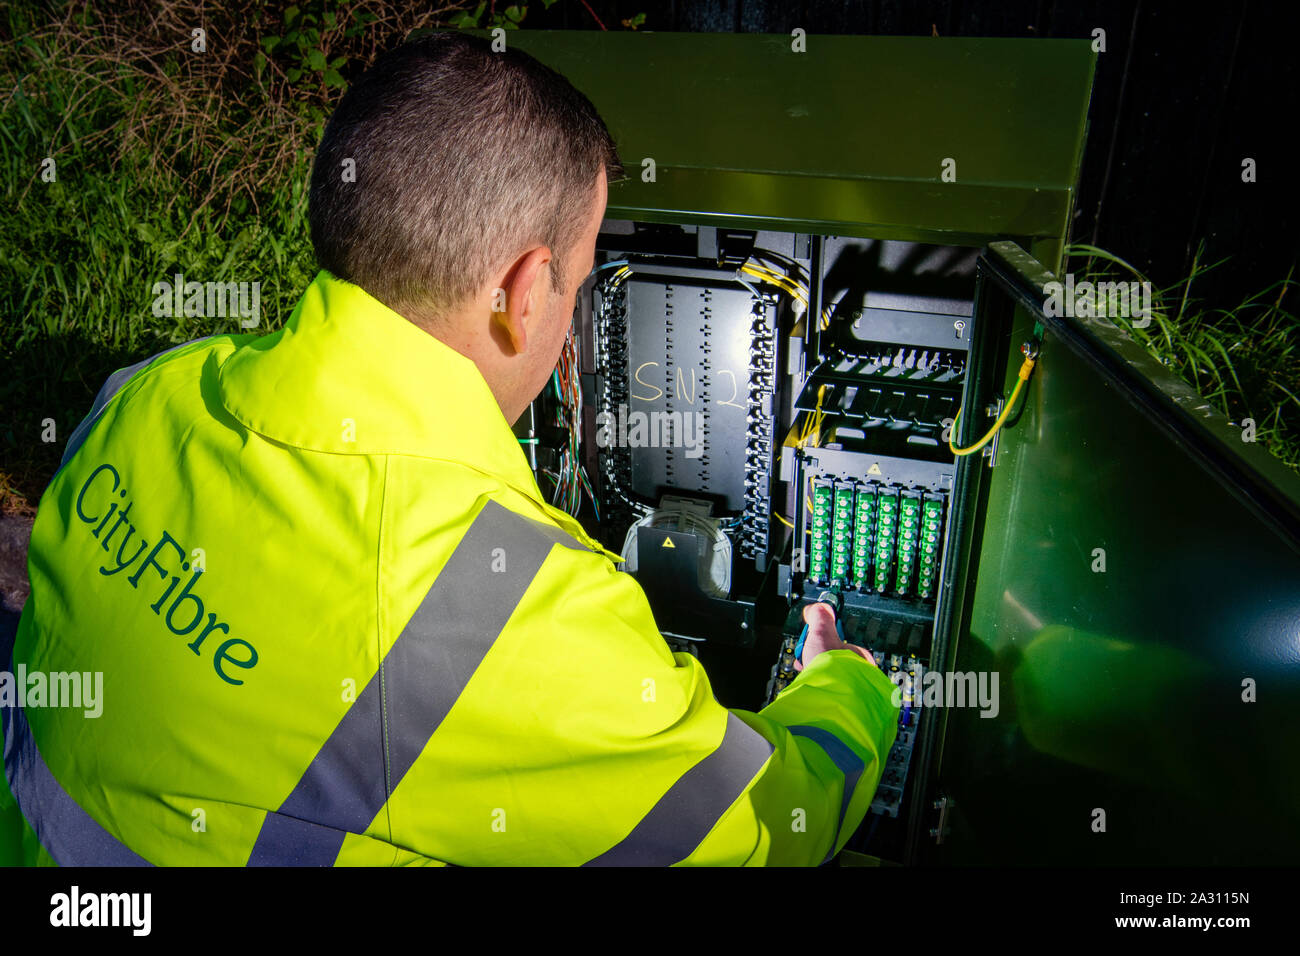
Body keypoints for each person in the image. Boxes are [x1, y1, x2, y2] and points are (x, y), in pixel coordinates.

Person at [0, 31, 898, 867]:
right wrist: (848, 692)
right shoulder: (498, 615)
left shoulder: (155, 388)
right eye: (578, 282)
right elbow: (760, 825)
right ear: (521, 290)